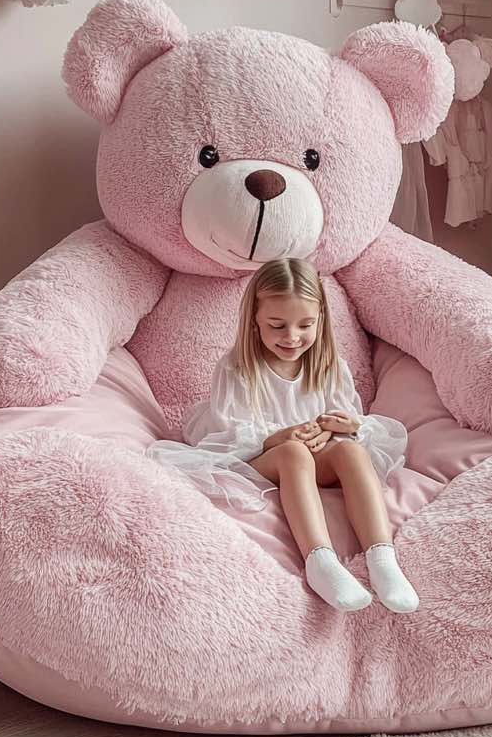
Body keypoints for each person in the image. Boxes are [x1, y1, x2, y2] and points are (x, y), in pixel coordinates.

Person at [148, 258, 417, 613]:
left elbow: (348, 416)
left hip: (317, 455)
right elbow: (231, 435)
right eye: (277, 326)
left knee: (352, 453)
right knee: (293, 452)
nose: (292, 337)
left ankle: (382, 559)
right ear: (256, 322)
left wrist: (342, 427)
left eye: (305, 325)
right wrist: (282, 436)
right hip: (262, 457)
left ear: (320, 320)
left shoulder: (329, 366)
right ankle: (320, 561)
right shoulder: (238, 368)